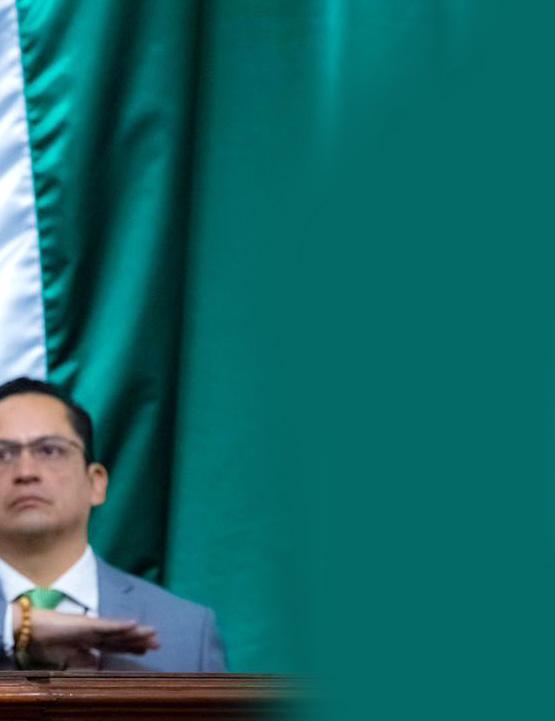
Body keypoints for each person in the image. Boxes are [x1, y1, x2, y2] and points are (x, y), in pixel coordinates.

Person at [0, 377, 226, 671]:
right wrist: (15, 623)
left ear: (96, 482)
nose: (26, 472)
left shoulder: (187, 632)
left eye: (49, 450)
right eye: (2, 455)